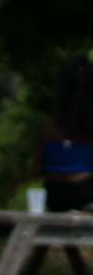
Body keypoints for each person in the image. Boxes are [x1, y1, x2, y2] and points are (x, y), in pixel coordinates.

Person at [41, 54, 93, 212]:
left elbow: (38, 169)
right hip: (86, 195)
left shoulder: (48, 129)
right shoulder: (89, 127)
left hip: (56, 196)